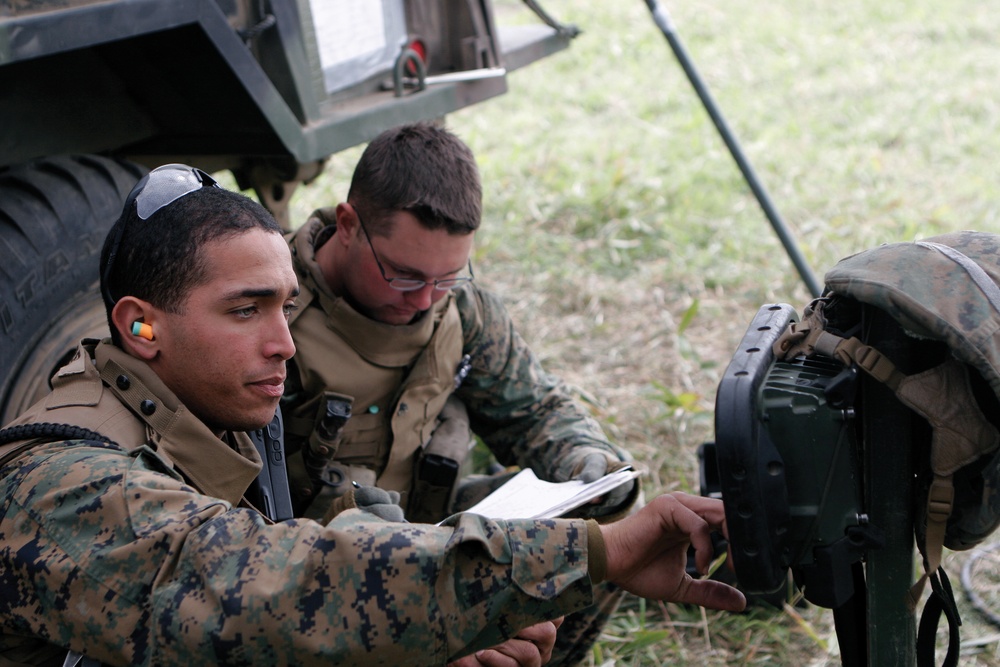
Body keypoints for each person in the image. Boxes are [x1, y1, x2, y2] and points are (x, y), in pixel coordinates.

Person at [0, 164, 745, 667]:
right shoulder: (64, 482)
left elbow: (312, 549)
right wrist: (596, 553)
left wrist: (433, 636)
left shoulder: (203, 399)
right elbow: (267, 586)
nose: (282, 342)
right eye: (245, 310)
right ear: (140, 327)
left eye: (282, 304)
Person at [281, 121, 641, 664]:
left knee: (601, 541)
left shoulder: (461, 311)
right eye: (403, 275)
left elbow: (533, 409)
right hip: (316, 566)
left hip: (436, 529)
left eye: (447, 277)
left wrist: (583, 458)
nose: (426, 300)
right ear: (349, 224)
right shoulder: (268, 315)